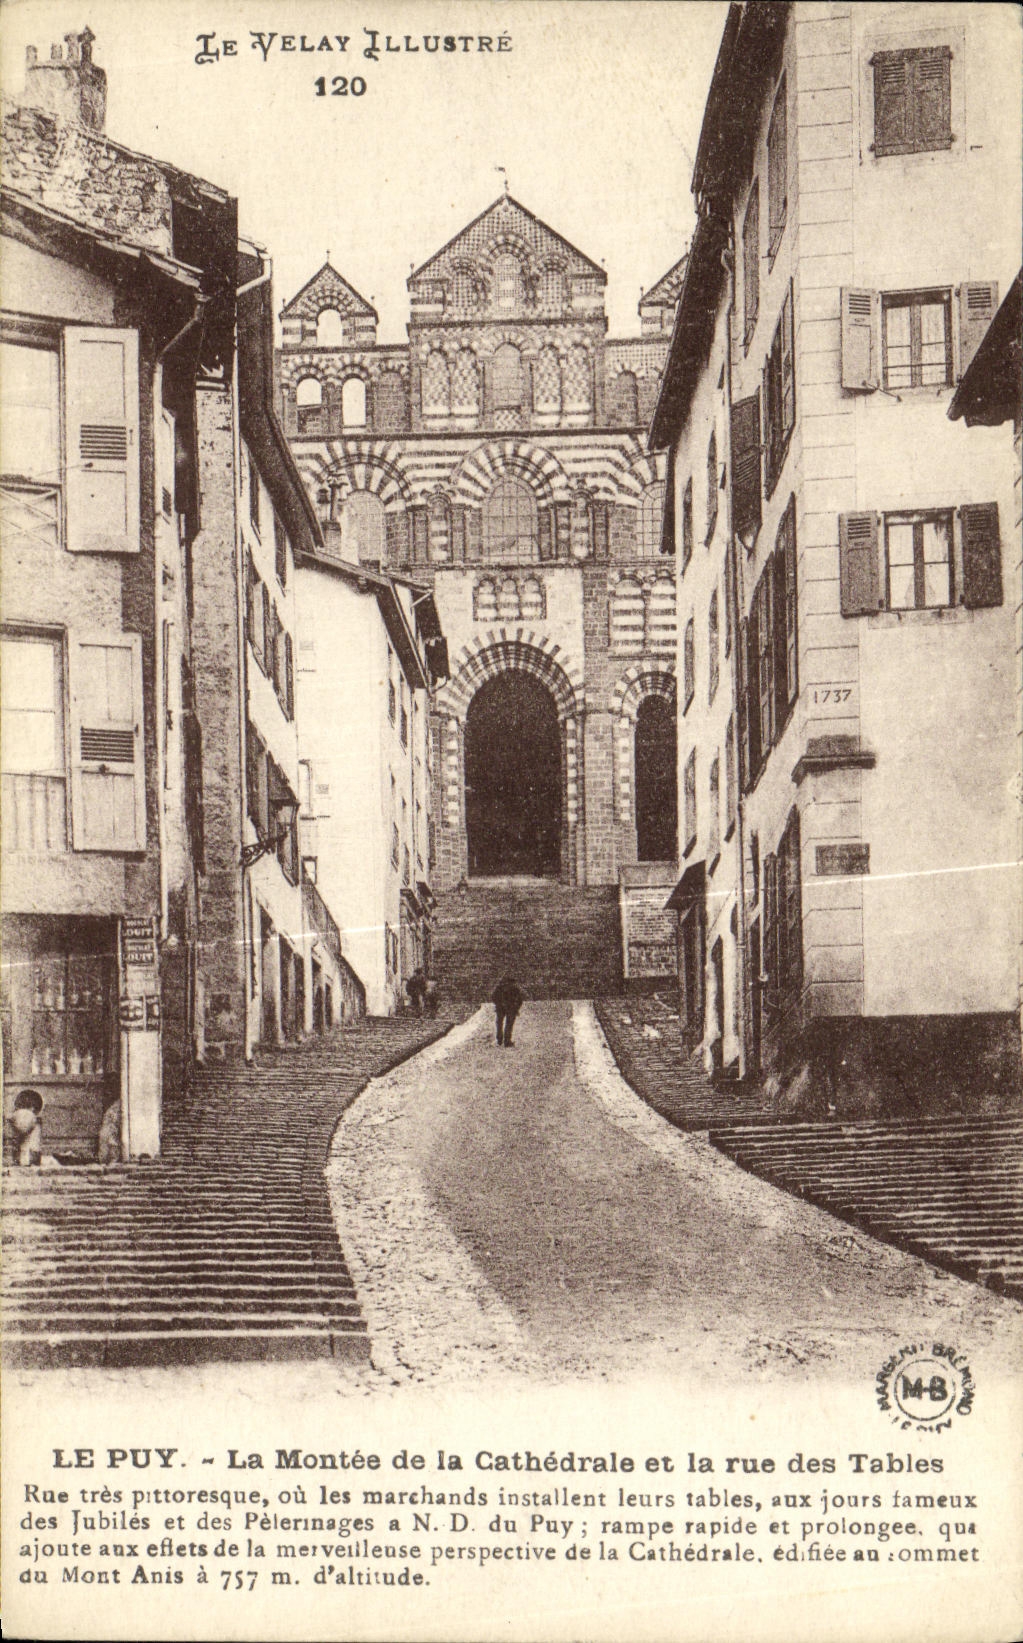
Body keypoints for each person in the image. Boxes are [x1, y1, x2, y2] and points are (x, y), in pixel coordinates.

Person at [492, 976, 524, 1048]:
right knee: (509, 1024)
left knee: (499, 1024)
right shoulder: (515, 988)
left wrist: (498, 1004)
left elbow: (493, 997)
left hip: (500, 1008)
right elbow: (520, 1000)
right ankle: (507, 1041)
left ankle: (499, 1040)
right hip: (511, 1009)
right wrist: (516, 1008)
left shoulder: (499, 987)